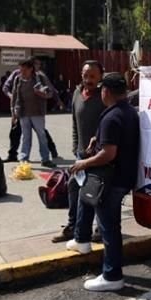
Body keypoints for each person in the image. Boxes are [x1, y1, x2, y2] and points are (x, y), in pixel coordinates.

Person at [66, 72, 140, 292]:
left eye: (102, 90)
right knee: (87, 202)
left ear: (106, 91)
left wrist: (84, 163)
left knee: (109, 229)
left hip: (110, 180)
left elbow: (108, 154)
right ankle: (82, 240)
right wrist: (96, 139)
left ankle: (112, 275)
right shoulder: (127, 112)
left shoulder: (111, 117)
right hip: (122, 177)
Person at [51, 60, 105, 244]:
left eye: (92, 76)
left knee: (99, 193)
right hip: (81, 154)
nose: (88, 79)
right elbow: (75, 123)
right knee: (73, 186)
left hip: (99, 156)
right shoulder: (76, 93)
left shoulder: (104, 96)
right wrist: (76, 147)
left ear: (100, 77)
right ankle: (72, 226)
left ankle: (100, 229)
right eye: (85, 75)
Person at [2, 59, 58, 162]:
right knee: (25, 136)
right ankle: (24, 158)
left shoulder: (40, 78)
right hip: (23, 113)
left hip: (37, 112)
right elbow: (15, 96)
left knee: (42, 136)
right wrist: (13, 113)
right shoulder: (18, 79)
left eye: (24, 70)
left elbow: (50, 93)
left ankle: (45, 159)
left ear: (31, 69)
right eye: (20, 70)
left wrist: (41, 93)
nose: (22, 72)